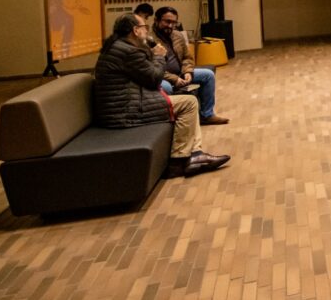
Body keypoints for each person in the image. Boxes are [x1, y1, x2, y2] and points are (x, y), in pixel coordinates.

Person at [93, 14, 230, 178]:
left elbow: (154, 70)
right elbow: (154, 79)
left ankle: (195, 154)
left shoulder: (118, 46)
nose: (147, 31)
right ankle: (179, 160)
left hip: (123, 104)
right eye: (145, 27)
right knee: (189, 103)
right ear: (136, 30)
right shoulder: (128, 51)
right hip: (125, 111)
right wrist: (158, 56)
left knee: (191, 98)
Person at [153, 7, 228, 125]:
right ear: (156, 20)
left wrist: (187, 72)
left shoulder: (178, 35)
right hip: (161, 77)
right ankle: (173, 121)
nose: (171, 26)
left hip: (180, 73)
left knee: (208, 75)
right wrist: (174, 79)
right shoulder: (149, 41)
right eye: (167, 22)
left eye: (174, 22)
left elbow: (187, 58)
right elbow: (151, 68)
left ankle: (207, 115)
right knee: (166, 87)